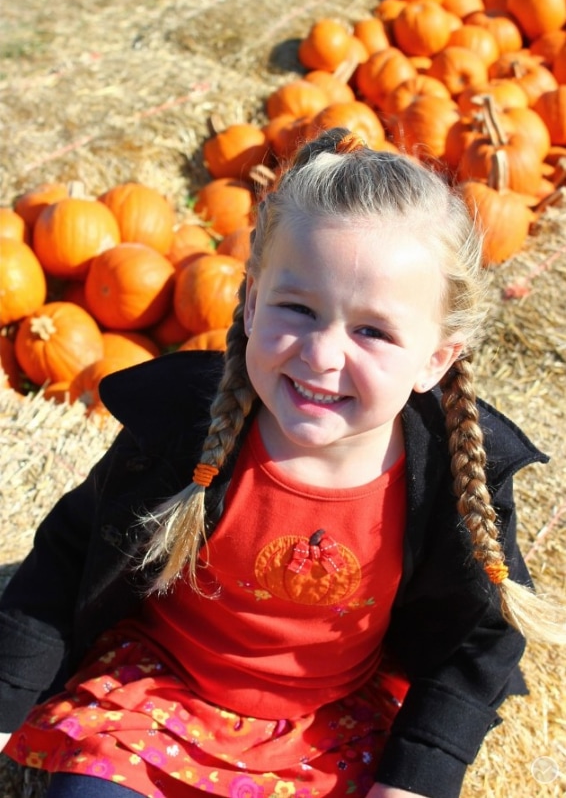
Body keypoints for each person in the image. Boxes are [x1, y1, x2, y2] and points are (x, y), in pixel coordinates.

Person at [0, 128, 564, 798]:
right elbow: (67, 553)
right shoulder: (185, 431)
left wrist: (417, 777)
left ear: (437, 358)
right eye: (298, 308)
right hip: (160, 689)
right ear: (253, 297)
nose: (323, 355)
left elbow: (482, 639)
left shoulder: (446, 485)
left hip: (328, 725)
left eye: (373, 331)